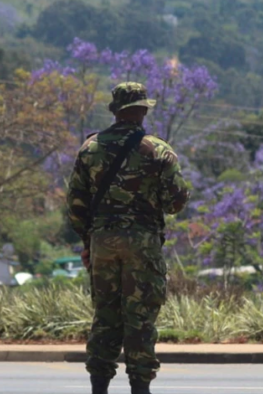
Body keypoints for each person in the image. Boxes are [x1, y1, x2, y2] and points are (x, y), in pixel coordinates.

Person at [66, 82, 190, 394]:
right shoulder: (158, 150)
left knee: (105, 315)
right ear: (144, 109)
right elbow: (176, 202)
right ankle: (140, 388)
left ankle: (99, 386)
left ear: (116, 110)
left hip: (103, 243)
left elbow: (75, 205)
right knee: (140, 318)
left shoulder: (90, 148)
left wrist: (88, 244)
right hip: (142, 243)